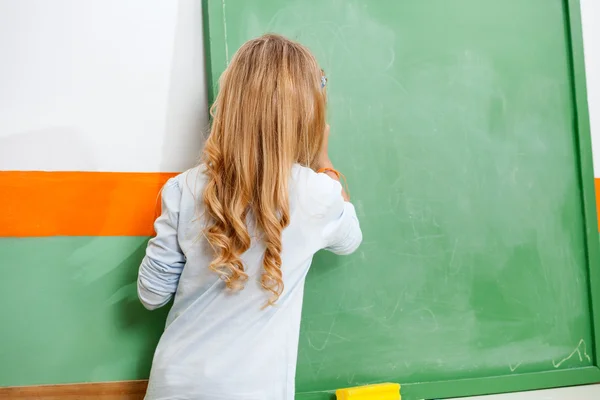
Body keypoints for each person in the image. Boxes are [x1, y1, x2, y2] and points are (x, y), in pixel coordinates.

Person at [137, 33, 362, 400]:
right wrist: (324, 162)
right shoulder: (318, 194)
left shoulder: (184, 188)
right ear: (305, 114)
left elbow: (151, 295)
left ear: (230, 104)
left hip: (174, 385)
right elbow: (350, 240)